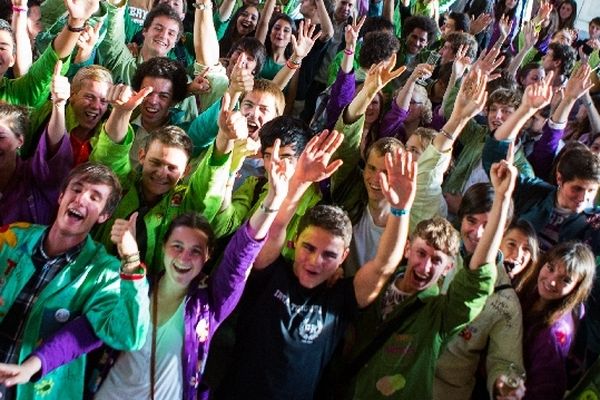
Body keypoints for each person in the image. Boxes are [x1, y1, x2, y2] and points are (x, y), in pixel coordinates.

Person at [0, 138, 293, 400]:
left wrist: (273, 201)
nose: (184, 257)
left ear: (207, 257)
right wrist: (33, 366)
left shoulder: (209, 306)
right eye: (177, 246)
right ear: (163, 248)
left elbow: (239, 259)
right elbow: (85, 332)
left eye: (195, 251)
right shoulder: (131, 287)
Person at [216, 130, 418, 399]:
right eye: (309, 248)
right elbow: (275, 229)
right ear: (296, 240)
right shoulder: (271, 274)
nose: (315, 261)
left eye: (329, 255)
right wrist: (298, 182)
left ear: (344, 257)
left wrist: (401, 210)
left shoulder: (341, 298)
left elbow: (383, 267)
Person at [349, 117, 516, 398]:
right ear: (406, 250)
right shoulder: (378, 287)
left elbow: (476, 279)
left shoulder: (440, 315)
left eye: (437, 261)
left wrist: (502, 199)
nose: (425, 266)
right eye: (421, 253)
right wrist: (400, 210)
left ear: (449, 268)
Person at [0, 162, 150, 400]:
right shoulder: (13, 237)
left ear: (104, 216)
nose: (80, 199)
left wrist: (131, 260)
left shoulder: (106, 272)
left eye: (94, 196)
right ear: (61, 196)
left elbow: (128, 336)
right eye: (76, 189)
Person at [517, 241, 596, 400]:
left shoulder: (553, 333)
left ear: (577, 287)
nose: (551, 281)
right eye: (551, 268)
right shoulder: (534, 293)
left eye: (565, 280)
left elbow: (546, 390)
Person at [0, 60, 73, 226]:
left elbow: (55, 154)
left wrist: (59, 105)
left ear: (20, 140)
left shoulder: (35, 177)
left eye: (0, 136)